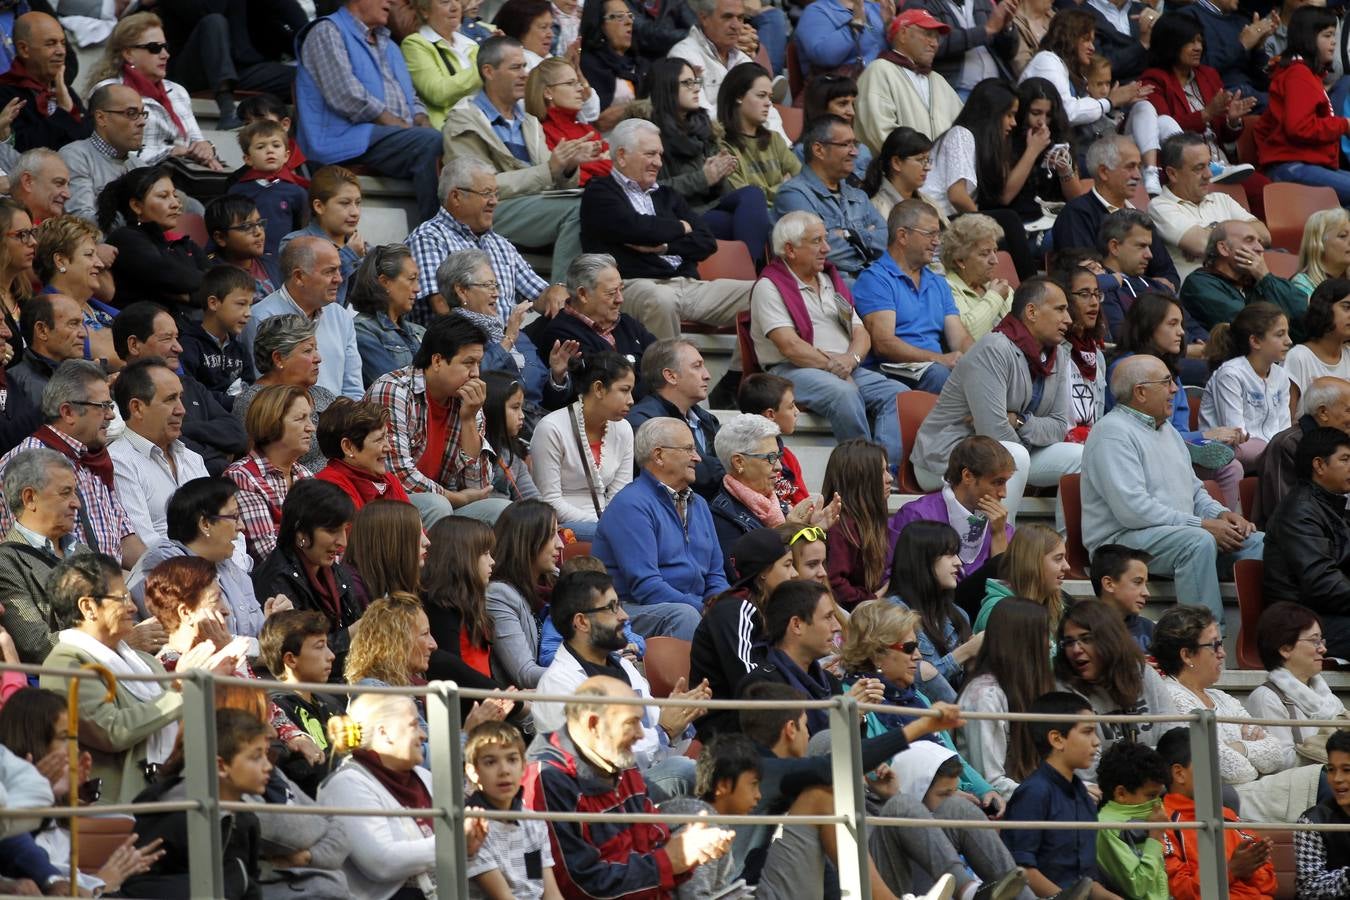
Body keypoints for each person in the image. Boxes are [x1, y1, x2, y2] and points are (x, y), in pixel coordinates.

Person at [38, 553, 240, 804]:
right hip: (125, 803)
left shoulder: (145, 661)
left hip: (178, 785)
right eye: (122, 598)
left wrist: (213, 682)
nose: (133, 607)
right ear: (88, 607)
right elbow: (112, 730)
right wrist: (184, 688)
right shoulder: (65, 665)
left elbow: (179, 718)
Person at [1085, 354, 1263, 621]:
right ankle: (1204, 640)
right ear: (1141, 392)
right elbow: (1133, 511)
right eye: (1166, 382)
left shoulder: (1166, 430)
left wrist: (1219, 514)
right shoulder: (1112, 433)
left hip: (1171, 535)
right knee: (1197, 542)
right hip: (1119, 542)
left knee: (1259, 542)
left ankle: (1278, 636)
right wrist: (1201, 525)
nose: (1175, 389)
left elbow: (1195, 491)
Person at [524, 674, 734, 896]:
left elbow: (650, 833)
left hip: (643, 885)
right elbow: (579, 886)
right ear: (594, 724)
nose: (640, 734)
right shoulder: (548, 778)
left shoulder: (614, 753)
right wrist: (671, 860)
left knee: (701, 820)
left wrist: (689, 851)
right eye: (631, 723)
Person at [911, 277, 1082, 527]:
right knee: (1015, 455)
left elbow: (1058, 426)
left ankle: (1067, 551)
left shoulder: (1059, 355)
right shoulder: (993, 348)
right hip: (945, 458)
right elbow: (992, 433)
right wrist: (1024, 432)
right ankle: (999, 547)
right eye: (1059, 309)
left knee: (1083, 456)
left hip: (1015, 452)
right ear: (1031, 312)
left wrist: (1019, 421)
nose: (1068, 319)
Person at [580, 118, 753, 345]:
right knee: (660, 299)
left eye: (660, 155)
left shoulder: (667, 195)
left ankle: (737, 375)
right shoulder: (599, 192)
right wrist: (681, 227)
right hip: (632, 285)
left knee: (764, 293)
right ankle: (666, 378)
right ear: (621, 156)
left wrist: (665, 247)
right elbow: (637, 229)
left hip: (686, 285)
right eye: (650, 154)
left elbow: (706, 242)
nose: (658, 163)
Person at [750, 209, 905, 464]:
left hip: (844, 367)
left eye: (825, 239)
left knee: (897, 393)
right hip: (790, 370)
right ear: (790, 250)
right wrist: (834, 365)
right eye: (816, 241)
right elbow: (789, 346)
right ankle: (862, 472)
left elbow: (861, 331)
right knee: (844, 393)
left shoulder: (830, 281)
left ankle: (886, 469)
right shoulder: (769, 286)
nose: (827, 248)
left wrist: (851, 359)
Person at [533, 569, 707, 791]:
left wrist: (682, 716)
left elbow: (658, 744)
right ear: (582, 622)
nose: (624, 616)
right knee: (686, 773)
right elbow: (597, 759)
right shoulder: (557, 685)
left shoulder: (623, 666)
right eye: (612, 607)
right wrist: (664, 730)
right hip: (600, 800)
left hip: (642, 784)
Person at [443, 37, 596, 285]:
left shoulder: (528, 120)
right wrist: (549, 170)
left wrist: (567, 167)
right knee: (580, 209)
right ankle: (564, 298)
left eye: (525, 66)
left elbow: (556, 179)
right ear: (489, 71)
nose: (525, 75)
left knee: (600, 201)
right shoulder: (464, 121)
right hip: (491, 210)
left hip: (532, 206)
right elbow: (476, 189)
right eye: (516, 68)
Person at [1156, 604, 1327, 822]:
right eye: (1215, 645)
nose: (1222, 653)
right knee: (1324, 783)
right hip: (1226, 798)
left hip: (1256, 790)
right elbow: (1226, 768)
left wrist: (1239, 747)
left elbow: (1274, 753)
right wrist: (1251, 750)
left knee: (1330, 779)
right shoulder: (1172, 697)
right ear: (1187, 655)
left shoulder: (1222, 697)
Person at [294, 0, 444, 224]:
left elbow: (411, 96)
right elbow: (345, 94)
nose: (390, 2)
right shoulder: (326, 31)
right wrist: (397, 124)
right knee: (430, 143)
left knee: (451, 142)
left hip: (387, 137)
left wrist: (421, 119)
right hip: (343, 139)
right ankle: (435, 235)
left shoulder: (390, 44)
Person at [364, 313, 510, 526]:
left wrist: (469, 420)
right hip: (385, 502)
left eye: (478, 363)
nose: (476, 374)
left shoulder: (467, 401)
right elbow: (398, 476)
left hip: (441, 503)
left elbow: (478, 487)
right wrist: (455, 499)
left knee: (503, 510)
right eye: (468, 363)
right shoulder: (393, 391)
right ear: (437, 360)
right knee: (436, 505)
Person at [593, 417, 727, 639]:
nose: (698, 457)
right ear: (659, 455)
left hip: (691, 607)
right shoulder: (631, 505)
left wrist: (721, 603)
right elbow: (646, 587)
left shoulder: (700, 504)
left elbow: (715, 575)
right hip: (630, 609)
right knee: (684, 615)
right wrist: (702, 608)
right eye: (688, 449)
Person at [0, 360, 141, 570]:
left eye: (110, 406)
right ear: (68, 412)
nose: (111, 415)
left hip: (112, 585)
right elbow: (34, 561)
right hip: (60, 594)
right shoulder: (27, 462)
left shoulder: (94, 459)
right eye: (103, 406)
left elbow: (125, 541)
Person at [404, 156, 569, 330]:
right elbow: (440, 305)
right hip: (461, 346)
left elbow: (538, 295)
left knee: (565, 327)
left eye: (496, 193)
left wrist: (555, 291)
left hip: (509, 342)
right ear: (456, 197)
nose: (494, 201)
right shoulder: (428, 238)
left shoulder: (500, 244)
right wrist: (486, 345)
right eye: (486, 193)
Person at [644, 58, 774, 269]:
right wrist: (704, 178)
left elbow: (721, 191)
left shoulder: (703, 127)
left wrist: (720, 174)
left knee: (753, 195)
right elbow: (654, 190)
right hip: (679, 214)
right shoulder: (651, 133)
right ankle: (755, 274)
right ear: (667, 86)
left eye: (696, 82)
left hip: (711, 206)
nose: (696, 88)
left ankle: (752, 274)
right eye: (687, 83)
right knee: (747, 224)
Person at [1138, 15, 1266, 217]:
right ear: (1170, 44)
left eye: (1199, 41)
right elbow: (1164, 131)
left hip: (1222, 165)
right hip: (1188, 171)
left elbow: (1225, 135)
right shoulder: (1154, 80)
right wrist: (1206, 114)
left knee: (1265, 189)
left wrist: (1232, 120)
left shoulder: (1208, 74)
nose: (1198, 47)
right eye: (1190, 42)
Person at [319, 694, 438, 899]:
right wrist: (455, 843)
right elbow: (382, 863)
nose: (423, 735)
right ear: (385, 732)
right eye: (414, 725)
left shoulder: (425, 777)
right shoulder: (347, 785)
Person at [115, 300, 250, 479]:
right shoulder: (115, 395)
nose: (178, 347)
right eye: (166, 338)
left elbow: (237, 436)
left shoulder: (190, 385)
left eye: (177, 338)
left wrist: (186, 429)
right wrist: (217, 452)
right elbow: (171, 451)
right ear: (134, 345)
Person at [125, 476, 267, 643]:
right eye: (234, 517)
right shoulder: (164, 568)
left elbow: (257, 632)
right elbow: (200, 641)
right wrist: (262, 648)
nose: (241, 526)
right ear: (205, 524)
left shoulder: (228, 566)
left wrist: (273, 625)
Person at [856, 199, 974, 392]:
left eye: (938, 234)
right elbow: (884, 344)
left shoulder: (938, 283)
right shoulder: (876, 279)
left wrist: (979, 360)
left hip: (935, 369)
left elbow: (959, 338)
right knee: (940, 374)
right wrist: (939, 358)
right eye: (930, 234)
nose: (937, 241)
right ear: (902, 236)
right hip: (894, 371)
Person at [999, 691, 1107, 900]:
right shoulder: (1034, 793)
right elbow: (1022, 871)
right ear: (1057, 739)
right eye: (1087, 732)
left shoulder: (1083, 795)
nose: (1096, 742)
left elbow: (1087, 879)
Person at [689, 527, 797, 732]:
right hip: (726, 728)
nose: (795, 574)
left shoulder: (766, 609)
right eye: (788, 565)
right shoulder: (735, 611)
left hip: (760, 718)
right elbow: (752, 683)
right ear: (764, 572)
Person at [251, 479, 363, 671]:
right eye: (332, 531)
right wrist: (352, 634)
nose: (343, 542)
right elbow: (296, 655)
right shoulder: (277, 578)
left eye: (344, 530)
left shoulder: (334, 571)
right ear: (301, 532)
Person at [1156, 726, 1279, 900]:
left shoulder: (1226, 814)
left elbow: (1270, 885)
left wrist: (1245, 870)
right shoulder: (1163, 823)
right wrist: (1230, 871)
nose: (1217, 773)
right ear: (1179, 774)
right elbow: (1180, 892)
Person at [87, 13, 221, 170]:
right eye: (155, 48)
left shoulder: (177, 91)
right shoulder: (108, 91)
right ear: (129, 54)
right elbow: (107, 150)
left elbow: (196, 141)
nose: (165, 55)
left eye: (165, 47)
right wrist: (167, 153)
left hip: (183, 176)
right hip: (130, 179)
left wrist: (206, 148)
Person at [1052, 600, 1171, 775]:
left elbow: (1173, 736)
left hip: (1157, 785)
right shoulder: (1063, 691)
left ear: (1109, 639)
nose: (1076, 649)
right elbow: (1084, 767)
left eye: (1086, 639)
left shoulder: (1142, 673)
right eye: (1069, 642)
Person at [0, 448, 95, 664]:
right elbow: (37, 645)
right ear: (30, 498)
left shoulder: (84, 553)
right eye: (65, 493)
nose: (77, 503)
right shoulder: (6, 562)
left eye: (75, 493)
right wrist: (109, 641)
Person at [1261, 427, 1350, 657]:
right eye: (1345, 459)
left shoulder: (1332, 507)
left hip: (1327, 615)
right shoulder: (1299, 511)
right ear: (1319, 465)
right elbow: (1322, 583)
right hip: (1298, 624)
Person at [530, 352, 635, 542]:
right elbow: (550, 501)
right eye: (624, 390)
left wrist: (612, 522)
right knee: (626, 536)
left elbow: (621, 494)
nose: (631, 400)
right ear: (599, 389)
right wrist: (604, 524)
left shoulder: (624, 429)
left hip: (609, 522)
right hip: (562, 524)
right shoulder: (551, 428)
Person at [242, 236, 361, 402]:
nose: (339, 279)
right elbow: (265, 392)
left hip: (340, 421)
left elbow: (353, 390)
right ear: (299, 277)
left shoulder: (340, 316)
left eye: (339, 270)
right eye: (329, 272)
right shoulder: (261, 318)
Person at [958, 598, 1055, 799]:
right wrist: (1055, 798)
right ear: (1024, 641)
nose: (1050, 644)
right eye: (1044, 635)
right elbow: (990, 782)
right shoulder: (984, 696)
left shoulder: (1024, 688)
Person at [1051, 137, 1180, 287]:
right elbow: (1083, 275)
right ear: (1104, 172)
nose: (1138, 175)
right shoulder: (1076, 214)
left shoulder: (1138, 217)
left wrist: (1168, 284)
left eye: (1139, 167)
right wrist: (1147, 285)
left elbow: (1168, 273)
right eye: (1130, 167)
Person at [109, 357, 211, 547]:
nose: (181, 410)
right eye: (170, 399)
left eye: (180, 397)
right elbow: (145, 543)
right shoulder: (119, 462)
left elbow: (225, 522)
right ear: (137, 408)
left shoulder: (193, 459)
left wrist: (231, 566)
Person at [1253, 7, 1350, 203]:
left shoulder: (1306, 74)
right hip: (1292, 167)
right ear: (1308, 38)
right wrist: (1345, 124)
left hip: (1306, 164)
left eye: (1334, 35)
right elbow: (1299, 127)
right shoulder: (1299, 75)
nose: (1333, 42)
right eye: (1327, 35)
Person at [776, 114, 887, 283]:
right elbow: (819, 251)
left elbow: (886, 242)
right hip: (827, 286)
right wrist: (867, 247)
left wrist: (848, 235)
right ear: (819, 150)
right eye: (846, 144)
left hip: (870, 280)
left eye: (854, 144)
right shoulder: (793, 195)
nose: (855, 152)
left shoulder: (859, 196)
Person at [888, 434, 1014, 578]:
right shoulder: (917, 515)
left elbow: (1003, 588)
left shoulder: (1000, 526)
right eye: (997, 482)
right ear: (967, 476)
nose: (1003, 493)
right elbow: (894, 577)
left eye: (1005, 482)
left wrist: (999, 535)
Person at [1148, 135, 1266, 286]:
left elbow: (1264, 234)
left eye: (1208, 165)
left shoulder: (1222, 199)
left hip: (1242, 288)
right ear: (1172, 174)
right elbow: (1201, 244)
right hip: (1200, 296)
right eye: (1199, 168)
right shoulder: (1160, 206)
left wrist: (1213, 233)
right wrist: (1243, 236)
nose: (1209, 175)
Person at [462, 721, 562, 897]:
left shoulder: (532, 821)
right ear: (472, 771)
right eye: (490, 762)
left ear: (523, 766)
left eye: (512, 760)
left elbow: (544, 889)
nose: (504, 770)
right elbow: (503, 896)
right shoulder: (472, 827)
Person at [885, 521, 981, 703]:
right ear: (922, 560)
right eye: (949, 554)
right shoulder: (894, 611)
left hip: (956, 712)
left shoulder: (958, 614)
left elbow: (959, 686)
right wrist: (965, 652)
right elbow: (913, 677)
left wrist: (974, 663)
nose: (958, 563)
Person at [1245, 602, 1346, 771]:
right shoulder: (1267, 698)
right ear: (1285, 649)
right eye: (1315, 641)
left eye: (1322, 640)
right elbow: (1281, 763)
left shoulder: (1328, 698)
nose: (1323, 649)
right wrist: (1333, 748)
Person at [223, 384, 315, 564]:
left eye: (310, 418)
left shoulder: (305, 474)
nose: (311, 427)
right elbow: (268, 552)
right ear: (272, 422)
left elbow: (330, 539)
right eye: (300, 419)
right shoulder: (241, 476)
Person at [234, 314, 336, 474]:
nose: (318, 358)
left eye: (316, 349)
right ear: (279, 358)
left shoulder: (323, 395)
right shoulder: (255, 402)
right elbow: (260, 468)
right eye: (308, 350)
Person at [626, 339, 725, 499]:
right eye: (697, 366)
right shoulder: (643, 421)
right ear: (671, 376)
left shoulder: (707, 420)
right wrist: (733, 466)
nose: (707, 375)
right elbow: (678, 467)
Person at [98, 166, 207, 313]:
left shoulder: (183, 244)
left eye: (174, 195)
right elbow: (173, 277)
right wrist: (202, 291)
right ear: (137, 206)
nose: (175, 204)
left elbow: (225, 284)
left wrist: (188, 297)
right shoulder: (126, 239)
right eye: (163, 196)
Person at [1198, 303, 1292, 472]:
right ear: (1255, 341)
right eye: (1280, 335)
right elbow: (1236, 434)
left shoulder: (1281, 375)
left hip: (1268, 451)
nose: (1289, 341)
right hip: (1234, 449)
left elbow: (1284, 428)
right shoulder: (1230, 374)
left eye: (1287, 333)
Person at [537, 252, 658, 384]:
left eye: (620, 289)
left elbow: (662, 360)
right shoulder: (562, 335)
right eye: (611, 293)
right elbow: (609, 386)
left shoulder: (626, 322)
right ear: (583, 294)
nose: (620, 299)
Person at [855, 10, 962, 156]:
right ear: (904, 34)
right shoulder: (879, 70)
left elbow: (961, 130)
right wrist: (917, 163)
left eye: (937, 38)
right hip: (896, 174)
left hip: (938, 175)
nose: (935, 44)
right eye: (928, 35)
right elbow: (880, 133)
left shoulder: (938, 80)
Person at [259, 608, 344, 793]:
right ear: (290, 659)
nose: (331, 655)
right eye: (319, 646)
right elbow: (301, 775)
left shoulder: (331, 703)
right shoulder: (277, 710)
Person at [1180, 222, 1307, 342]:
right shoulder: (1200, 284)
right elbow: (1249, 326)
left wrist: (1265, 277)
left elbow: (1304, 314)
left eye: (1259, 242)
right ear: (1223, 248)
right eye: (1249, 240)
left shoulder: (1260, 280)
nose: (1260, 248)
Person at [484, 498, 561, 688]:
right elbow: (524, 673)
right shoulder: (499, 595)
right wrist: (588, 674)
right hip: (534, 709)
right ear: (527, 540)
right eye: (552, 535)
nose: (561, 544)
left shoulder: (558, 581)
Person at [278, 165, 367, 311]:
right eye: (345, 203)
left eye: (358, 203)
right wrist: (348, 256)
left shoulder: (362, 249)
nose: (355, 212)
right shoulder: (294, 243)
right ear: (319, 206)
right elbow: (304, 295)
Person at [57, 83, 145, 224]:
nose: (142, 122)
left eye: (142, 114)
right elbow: (82, 222)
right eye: (131, 113)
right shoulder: (75, 157)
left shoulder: (140, 167)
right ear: (101, 118)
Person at [820, 438, 891, 609]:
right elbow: (835, 584)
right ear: (859, 479)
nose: (890, 478)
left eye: (887, 470)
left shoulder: (867, 521)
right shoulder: (839, 527)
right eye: (881, 472)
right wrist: (874, 597)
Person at [1093, 741, 1170, 900]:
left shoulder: (1152, 815)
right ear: (1121, 794)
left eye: (1159, 795)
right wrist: (1155, 837)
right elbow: (1137, 886)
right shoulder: (1108, 827)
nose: (1157, 803)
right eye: (1150, 795)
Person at [35, 215, 113, 370]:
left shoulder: (96, 307)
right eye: (89, 254)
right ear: (60, 261)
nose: (99, 263)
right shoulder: (47, 311)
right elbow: (116, 357)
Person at [719, 62, 800, 205]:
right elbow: (746, 198)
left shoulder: (775, 139)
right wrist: (784, 186)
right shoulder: (722, 145)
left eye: (769, 97)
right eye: (761, 95)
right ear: (739, 96)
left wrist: (771, 191)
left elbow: (803, 181)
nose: (768, 103)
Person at [311, 398, 410, 513]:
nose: (389, 447)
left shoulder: (390, 480)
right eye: (379, 439)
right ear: (348, 447)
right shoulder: (329, 488)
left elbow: (416, 529)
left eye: (386, 437)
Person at [970, 522, 1069, 636]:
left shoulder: (1056, 606)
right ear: (1032, 563)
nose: (1067, 567)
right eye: (1058, 558)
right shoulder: (998, 612)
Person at [349, 245, 426, 389]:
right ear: (384, 282)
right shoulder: (362, 329)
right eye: (411, 279)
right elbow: (393, 387)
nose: (417, 288)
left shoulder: (419, 331)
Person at [179, 266, 255, 411]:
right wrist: (233, 402)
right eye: (241, 304)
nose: (248, 313)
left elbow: (250, 389)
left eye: (250, 305)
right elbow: (192, 395)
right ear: (213, 303)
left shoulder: (239, 349)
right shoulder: (189, 346)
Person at [400, 0, 482, 130]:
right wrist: (484, 69)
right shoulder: (415, 44)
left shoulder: (470, 44)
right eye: (445, 2)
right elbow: (438, 92)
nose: (455, 7)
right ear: (424, 11)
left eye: (457, 1)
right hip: (451, 128)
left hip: (483, 122)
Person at [528, 56, 611, 186]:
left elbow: (620, 166)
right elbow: (562, 178)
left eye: (578, 83)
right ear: (548, 92)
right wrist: (602, 162)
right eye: (570, 83)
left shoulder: (586, 128)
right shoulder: (541, 132)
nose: (580, 89)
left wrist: (587, 165)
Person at [737, 374, 809, 505]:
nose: (797, 411)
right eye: (791, 406)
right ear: (770, 414)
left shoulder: (787, 457)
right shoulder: (747, 460)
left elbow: (805, 506)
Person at [942, 215, 1015, 344]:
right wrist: (995, 298)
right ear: (960, 260)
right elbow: (965, 336)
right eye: (985, 254)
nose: (995, 260)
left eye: (995, 251)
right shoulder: (947, 288)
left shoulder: (1000, 287)